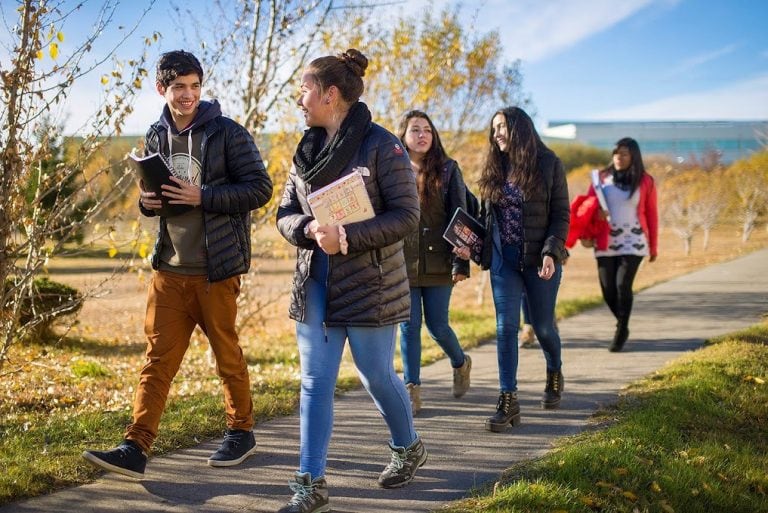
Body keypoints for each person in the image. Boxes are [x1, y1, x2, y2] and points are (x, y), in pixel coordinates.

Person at [82, 50, 273, 478]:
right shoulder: (155, 136)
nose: (188, 95)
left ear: (201, 88)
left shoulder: (228, 134)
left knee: (227, 355)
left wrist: (203, 196)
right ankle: (135, 446)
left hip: (215, 271)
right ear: (161, 89)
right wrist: (147, 203)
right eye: (178, 87)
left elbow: (260, 189)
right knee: (157, 362)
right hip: (168, 269)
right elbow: (156, 196)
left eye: (194, 86)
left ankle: (241, 431)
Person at [275, 49, 427, 513]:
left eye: (304, 89)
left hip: (371, 282)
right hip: (316, 282)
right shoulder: (305, 150)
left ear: (330, 94)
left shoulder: (384, 146)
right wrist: (307, 230)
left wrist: (348, 235)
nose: (299, 98)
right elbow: (284, 213)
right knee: (315, 381)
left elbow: (407, 215)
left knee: (374, 373)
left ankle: (408, 447)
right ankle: (311, 483)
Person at [458, 106, 569, 432]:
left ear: (520, 128)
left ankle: (554, 369)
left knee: (544, 327)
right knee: (506, 328)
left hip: (540, 261)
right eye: (494, 129)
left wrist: (552, 252)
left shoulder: (549, 164)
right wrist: (471, 245)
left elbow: (561, 214)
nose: (498, 134)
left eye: (503, 126)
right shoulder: (495, 168)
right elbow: (486, 219)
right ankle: (508, 399)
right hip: (503, 262)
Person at [396, 110, 472, 416]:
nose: (422, 135)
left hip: (440, 259)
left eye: (427, 129)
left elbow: (461, 216)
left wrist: (461, 263)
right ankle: (411, 390)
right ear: (403, 136)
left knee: (437, 325)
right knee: (408, 326)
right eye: (415, 130)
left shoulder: (448, 169)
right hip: (402, 262)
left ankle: (460, 361)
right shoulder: (392, 168)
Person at [589, 137, 658, 352]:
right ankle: (622, 322)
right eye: (616, 153)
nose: (619, 157)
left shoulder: (645, 181)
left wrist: (654, 246)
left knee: (622, 285)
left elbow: (652, 214)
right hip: (606, 239)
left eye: (624, 154)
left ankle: (621, 329)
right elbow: (588, 206)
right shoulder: (601, 178)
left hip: (634, 240)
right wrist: (595, 216)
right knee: (608, 290)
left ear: (633, 156)